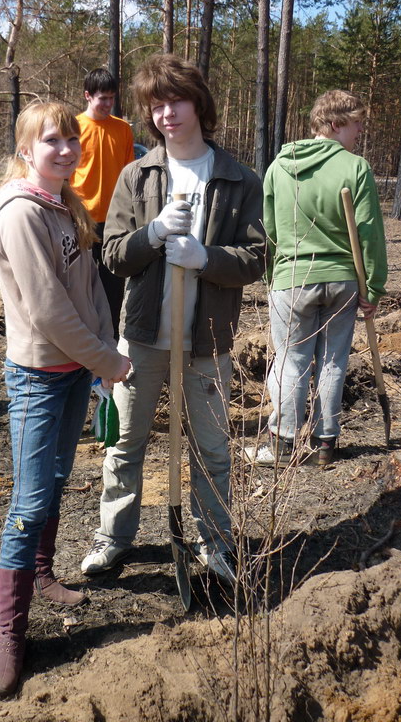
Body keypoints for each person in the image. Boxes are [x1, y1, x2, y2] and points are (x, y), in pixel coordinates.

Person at [80, 54, 266, 585]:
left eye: (175, 102)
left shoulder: (238, 179)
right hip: (142, 337)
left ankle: (214, 541)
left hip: (207, 340)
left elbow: (257, 257)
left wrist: (207, 258)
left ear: (198, 104)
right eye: (156, 106)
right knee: (125, 445)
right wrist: (155, 233)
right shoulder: (137, 175)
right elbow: (114, 255)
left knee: (212, 449)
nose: (166, 114)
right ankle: (113, 538)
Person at [0, 100, 131, 697]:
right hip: (38, 377)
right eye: (50, 141)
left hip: (75, 373)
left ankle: (42, 574)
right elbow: (48, 310)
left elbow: (91, 292)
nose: (64, 150)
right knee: (29, 500)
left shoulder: (68, 205)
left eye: (70, 140)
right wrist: (107, 361)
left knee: (58, 478)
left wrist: (103, 353)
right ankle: (10, 638)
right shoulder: (20, 213)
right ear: (25, 150)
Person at [249, 89, 387, 468]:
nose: (360, 130)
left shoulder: (280, 167)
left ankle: (283, 444)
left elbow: (268, 230)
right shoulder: (355, 167)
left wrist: (271, 276)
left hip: (292, 278)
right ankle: (325, 442)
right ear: (335, 123)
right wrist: (373, 286)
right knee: (332, 360)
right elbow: (370, 233)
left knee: (290, 360)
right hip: (342, 280)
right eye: (356, 123)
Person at [70, 68, 135, 338]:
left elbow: (130, 174)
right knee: (80, 284)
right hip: (80, 219)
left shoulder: (122, 129)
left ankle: (110, 341)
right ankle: (82, 340)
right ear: (88, 96)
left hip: (114, 222)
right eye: (102, 98)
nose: (108, 104)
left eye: (112, 98)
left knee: (113, 287)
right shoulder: (73, 128)